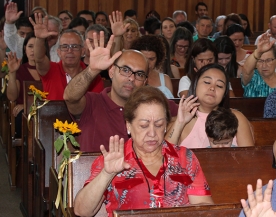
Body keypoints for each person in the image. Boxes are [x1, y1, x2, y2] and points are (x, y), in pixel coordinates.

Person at [74, 86, 213, 217]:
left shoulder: (184, 158)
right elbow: (82, 211)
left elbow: (204, 207)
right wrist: (107, 173)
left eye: (158, 124)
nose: (152, 133)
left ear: (166, 125)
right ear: (128, 125)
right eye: (143, 125)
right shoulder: (115, 159)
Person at [63, 31, 179, 152]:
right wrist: (92, 70)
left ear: (145, 81)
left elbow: (190, 116)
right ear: (112, 71)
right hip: (95, 170)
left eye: (139, 74)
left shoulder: (154, 106)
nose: (131, 78)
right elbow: (70, 97)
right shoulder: (92, 103)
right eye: (125, 70)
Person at [168, 64, 254, 148]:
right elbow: (165, 155)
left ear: (224, 93)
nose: (212, 88)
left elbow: (249, 158)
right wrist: (179, 123)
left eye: (219, 86)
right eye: (207, 82)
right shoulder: (180, 120)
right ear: (195, 84)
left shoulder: (236, 117)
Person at [31, 13, 103, 100]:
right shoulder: (50, 69)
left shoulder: (92, 76)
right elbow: (39, 59)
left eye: (75, 46)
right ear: (59, 52)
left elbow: (95, 106)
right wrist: (39, 39)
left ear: (82, 51)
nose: (70, 51)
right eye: (65, 47)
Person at [6, 32, 48, 137]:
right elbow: (12, 97)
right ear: (25, 49)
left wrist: (28, 106)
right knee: (24, 118)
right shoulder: (20, 69)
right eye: (30, 46)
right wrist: (12, 73)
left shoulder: (51, 70)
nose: (33, 50)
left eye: (37, 46)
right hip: (25, 113)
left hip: (47, 110)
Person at [242, 32, 276, 97]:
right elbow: (246, 71)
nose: (264, 65)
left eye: (268, 60)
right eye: (260, 61)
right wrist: (258, 51)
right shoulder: (252, 78)